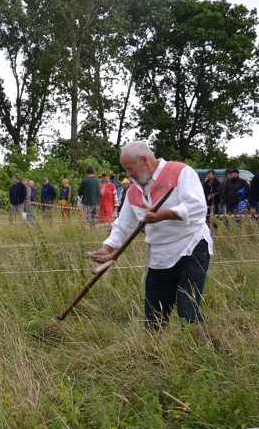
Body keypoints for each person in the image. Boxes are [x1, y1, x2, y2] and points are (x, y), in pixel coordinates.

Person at [88, 141, 211, 331]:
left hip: (191, 248)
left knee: (188, 312)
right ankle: (154, 356)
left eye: (130, 169)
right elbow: (124, 224)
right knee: (154, 319)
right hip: (160, 256)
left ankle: (210, 350)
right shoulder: (134, 191)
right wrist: (108, 248)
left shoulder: (180, 172)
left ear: (145, 160)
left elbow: (198, 208)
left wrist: (163, 214)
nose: (128, 175)